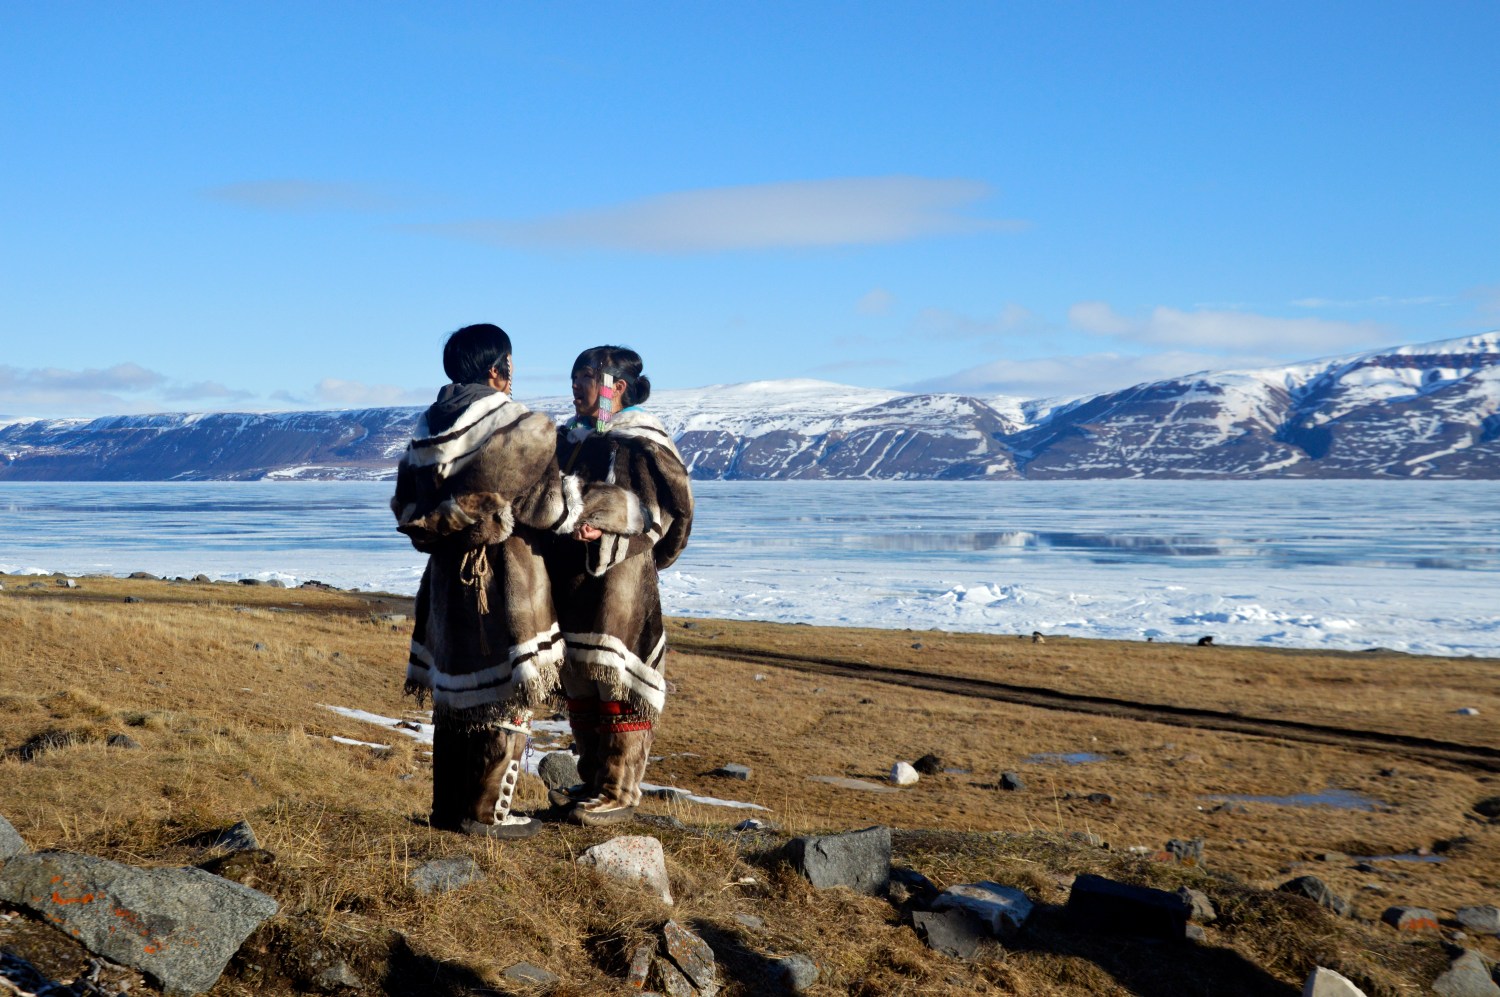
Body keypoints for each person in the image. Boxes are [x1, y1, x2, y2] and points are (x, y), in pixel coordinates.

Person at [392, 324, 614, 838]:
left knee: (455, 693)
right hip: (506, 575)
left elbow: (409, 508)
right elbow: (545, 506)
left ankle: (449, 807)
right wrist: (597, 510)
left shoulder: (427, 426)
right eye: (511, 363)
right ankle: (489, 811)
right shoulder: (521, 426)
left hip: (447, 574)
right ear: (498, 369)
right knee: (506, 692)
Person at [546, 345, 694, 825]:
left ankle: (620, 789)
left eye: (585, 377)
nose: (575, 386)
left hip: (621, 588)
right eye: (573, 377)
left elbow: (661, 517)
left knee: (617, 684)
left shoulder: (642, 443)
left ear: (617, 387)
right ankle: (593, 780)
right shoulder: (571, 439)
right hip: (570, 585)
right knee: (580, 684)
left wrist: (611, 532)